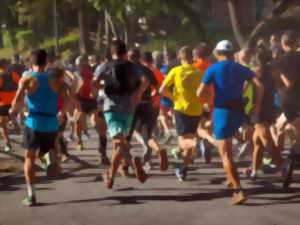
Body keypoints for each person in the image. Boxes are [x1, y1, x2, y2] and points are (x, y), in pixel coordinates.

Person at [197, 40, 263, 205]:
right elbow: (260, 86)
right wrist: (257, 106)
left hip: (222, 112)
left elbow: (200, 93)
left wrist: (207, 103)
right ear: (232, 53)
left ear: (218, 53)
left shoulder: (212, 68)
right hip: (239, 111)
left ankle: (238, 190)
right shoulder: (241, 68)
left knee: (226, 155)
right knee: (229, 146)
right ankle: (231, 173)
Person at [10, 49, 78, 206]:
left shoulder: (27, 79)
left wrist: (13, 112)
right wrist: (62, 114)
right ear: (47, 62)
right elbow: (67, 100)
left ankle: (31, 195)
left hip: (33, 122)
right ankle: (48, 156)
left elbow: (17, 101)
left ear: (31, 63)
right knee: (50, 152)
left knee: (29, 158)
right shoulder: (56, 81)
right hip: (51, 123)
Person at [93, 40, 148, 189]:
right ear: (125, 52)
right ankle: (110, 176)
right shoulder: (133, 66)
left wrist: (101, 91)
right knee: (119, 143)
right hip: (129, 107)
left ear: (112, 53)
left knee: (118, 142)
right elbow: (145, 81)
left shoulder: (104, 66)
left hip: (111, 107)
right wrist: (138, 94)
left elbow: (94, 84)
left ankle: (132, 163)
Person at [160, 46, 203, 181]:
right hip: (196, 109)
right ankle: (183, 169)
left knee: (184, 141)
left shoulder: (175, 71)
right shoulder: (198, 72)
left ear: (179, 57)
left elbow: (162, 90)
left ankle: (197, 144)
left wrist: (174, 98)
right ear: (192, 57)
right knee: (188, 139)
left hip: (181, 109)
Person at [126, 49, 169, 171]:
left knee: (126, 137)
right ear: (139, 57)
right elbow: (158, 88)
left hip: (131, 106)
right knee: (146, 135)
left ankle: (126, 165)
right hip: (147, 105)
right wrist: (153, 95)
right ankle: (158, 150)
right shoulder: (148, 71)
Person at [245, 48, 282, 179]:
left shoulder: (255, 72)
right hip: (270, 107)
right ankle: (254, 169)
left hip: (258, 109)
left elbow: (245, 89)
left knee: (266, 140)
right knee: (257, 141)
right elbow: (278, 88)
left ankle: (282, 167)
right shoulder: (274, 71)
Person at [273, 30, 300, 188]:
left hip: (285, 101)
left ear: (283, 43)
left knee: (282, 128)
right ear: (296, 42)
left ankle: (287, 163)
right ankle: (289, 162)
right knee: (291, 130)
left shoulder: (277, 60)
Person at [74, 55, 109, 165]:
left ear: (85, 65)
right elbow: (72, 90)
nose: (80, 67)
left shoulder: (91, 74)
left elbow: (96, 85)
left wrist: (99, 89)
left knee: (96, 123)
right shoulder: (76, 76)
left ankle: (102, 150)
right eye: (78, 65)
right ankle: (79, 140)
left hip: (91, 101)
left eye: (81, 65)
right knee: (78, 121)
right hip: (80, 101)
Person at [0, 59, 20, 152]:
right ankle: (13, 120)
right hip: (13, 101)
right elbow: (20, 84)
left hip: (2, 102)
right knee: (8, 117)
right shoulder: (12, 74)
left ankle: (7, 142)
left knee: (2, 124)